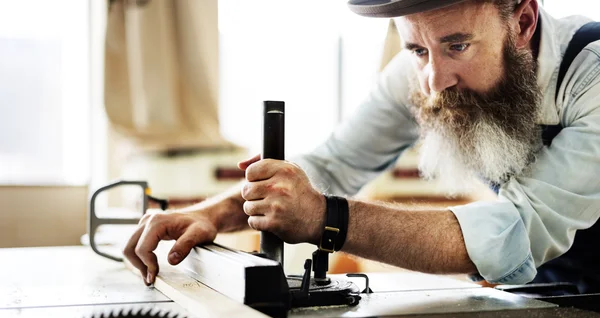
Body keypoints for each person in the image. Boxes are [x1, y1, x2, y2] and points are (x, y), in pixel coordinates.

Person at [124, 0, 600, 294]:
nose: (434, 80)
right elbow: (331, 164)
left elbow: (519, 228)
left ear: (522, 21)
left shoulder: (591, 73)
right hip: (550, 295)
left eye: (457, 46)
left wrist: (326, 219)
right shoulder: (419, 75)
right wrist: (211, 214)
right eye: (417, 49)